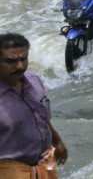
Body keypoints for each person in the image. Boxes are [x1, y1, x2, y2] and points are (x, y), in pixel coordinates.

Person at [0, 33, 67, 179]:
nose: (20, 66)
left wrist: (57, 141)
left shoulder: (34, 81)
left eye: (23, 59)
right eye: (10, 61)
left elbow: (41, 116)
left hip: (44, 164)